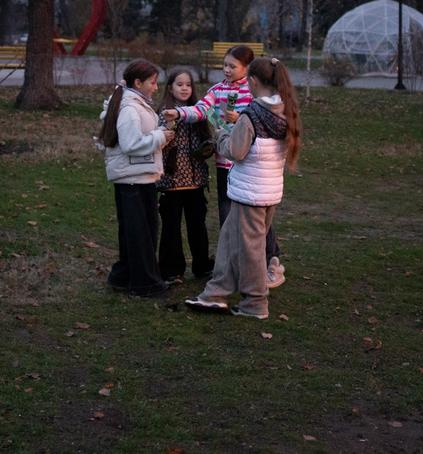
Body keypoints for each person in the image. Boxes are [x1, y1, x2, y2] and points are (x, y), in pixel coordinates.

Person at [185, 57, 301, 320]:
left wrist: (222, 134)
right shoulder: (285, 110)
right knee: (229, 240)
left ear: (254, 81)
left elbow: (235, 151)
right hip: (267, 191)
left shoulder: (253, 115)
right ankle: (215, 293)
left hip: (251, 193)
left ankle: (255, 303)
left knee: (250, 249)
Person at [163, 44, 286, 288]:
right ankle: (236, 267)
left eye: (232, 66)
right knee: (228, 217)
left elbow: (265, 121)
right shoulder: (217, 90)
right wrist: (178, 113)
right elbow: (200, 110)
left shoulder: (254, 92)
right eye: (225, 65)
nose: (227, 70)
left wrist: (238, 118)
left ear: (247, 69)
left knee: (258, 220)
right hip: (225, 165)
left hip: (250, 166)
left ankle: (271, 262)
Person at [97, 59, 173, 296]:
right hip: (133, 179)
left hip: (138, 176)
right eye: (152, 82)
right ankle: (145, 284)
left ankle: (124, 276)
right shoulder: (130, 108)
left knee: (138, 230)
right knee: (141, 233)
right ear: (137, 83)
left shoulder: (133, 102)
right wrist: (161, 136)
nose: (156, 87)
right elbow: (131, 144)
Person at [157, 68, 215, 282]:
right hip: (171, 180)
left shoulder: (199, 111)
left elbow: (208, 137)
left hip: (196, 179)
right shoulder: (165, 110)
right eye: (179, 84)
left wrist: (207, 148)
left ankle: (202, 266)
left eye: (188, 85)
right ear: (170, 87)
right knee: (171, 226)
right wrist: (170, 122)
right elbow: (160, 137)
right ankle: (171, 270)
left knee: (197, 225)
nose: (184, 88)